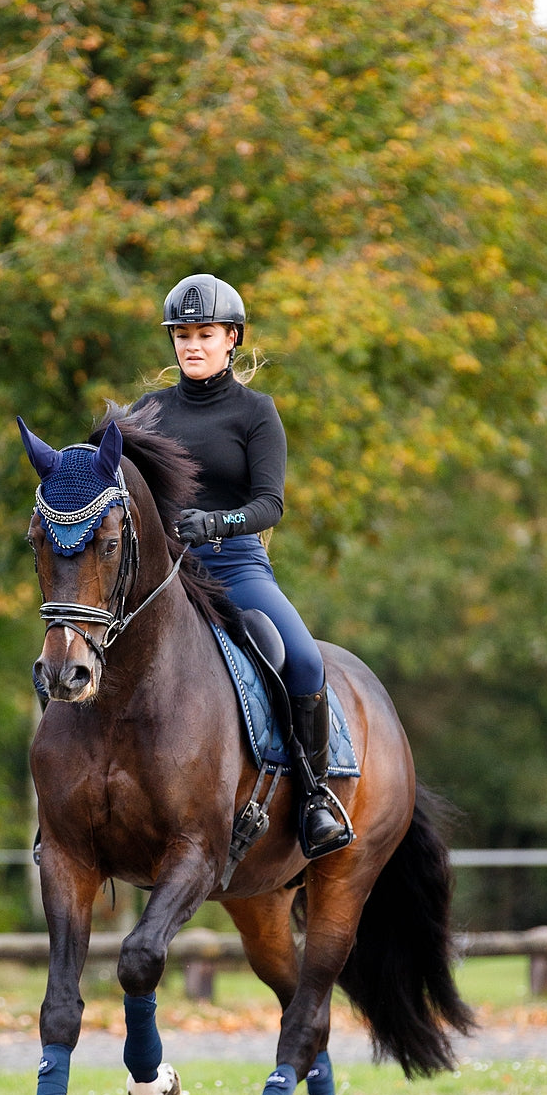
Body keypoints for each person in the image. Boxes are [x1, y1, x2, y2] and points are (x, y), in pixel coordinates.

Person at [128, 273, 347, 856]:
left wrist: (217, 523)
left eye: (205, 334)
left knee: (300, 659)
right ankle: (64, 810)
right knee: (73, 645)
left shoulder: (256, 413)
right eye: (182, 335)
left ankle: (316, 796)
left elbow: (270, 503)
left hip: (235, 567)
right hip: (161, 571)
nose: (192, 345)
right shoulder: (144, 413)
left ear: (232, 338)